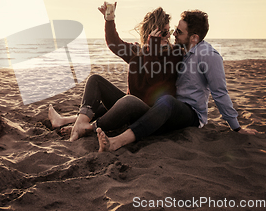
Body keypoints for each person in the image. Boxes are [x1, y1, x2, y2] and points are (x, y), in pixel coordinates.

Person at [97, 9, 257, 152]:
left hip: (190, 113)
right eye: (172, 31)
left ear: (194, 37)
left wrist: (236, 128)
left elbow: (220, 93)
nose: (173, 35)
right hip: (165, 111)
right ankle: (86, 124)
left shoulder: (208, 56)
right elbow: (119, 45)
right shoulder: (180, 52)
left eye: (178, 32)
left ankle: (118, 141)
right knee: (156, 102)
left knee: (167, 101)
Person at [48, 2, 183, 141]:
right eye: (165, 32)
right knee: (95, 80)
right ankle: (80, 123)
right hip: (127, 109)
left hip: (150, 114)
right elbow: (114, 43)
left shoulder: (175, 53)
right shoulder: (137, 51)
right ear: (151, 33)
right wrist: (109, 20)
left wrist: (153, 49)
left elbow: (156, 80)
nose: (169, 36)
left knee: (128, 101)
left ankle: (88, 127)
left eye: (169, 31)